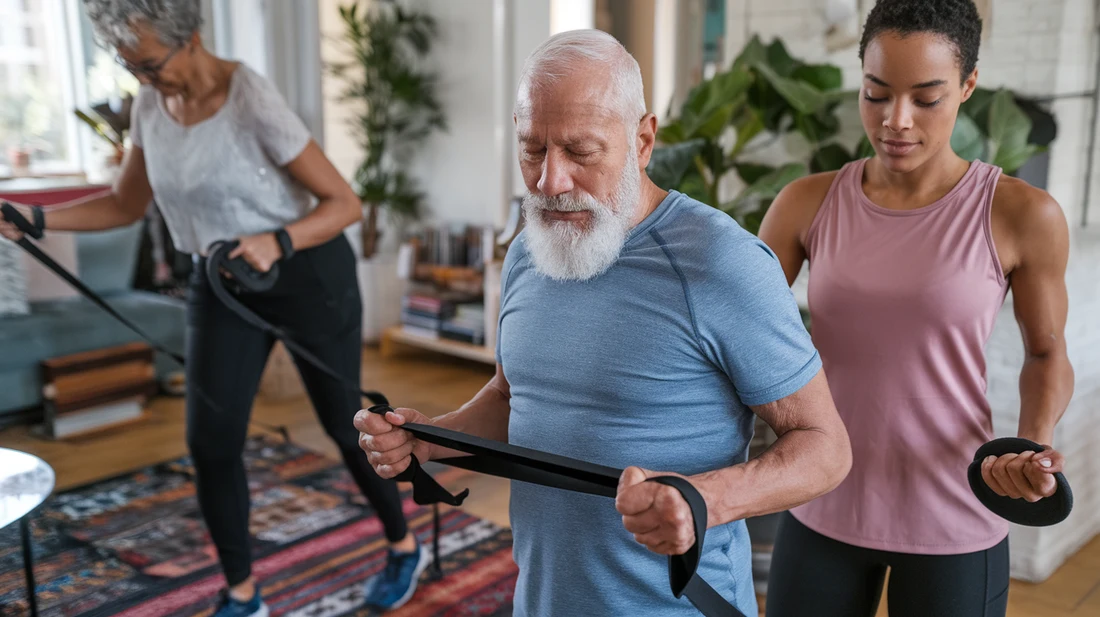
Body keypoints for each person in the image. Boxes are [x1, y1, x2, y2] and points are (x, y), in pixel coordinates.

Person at [355, 29, 853, 617]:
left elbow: (827, 449)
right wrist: (430, 439)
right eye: (532, 149)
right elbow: (515, 395)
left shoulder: (720, 262)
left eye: (580, 153)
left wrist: (706, 499)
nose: (549, 182)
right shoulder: (527, 250)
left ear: (643, 140)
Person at [0, 1, 429, 615]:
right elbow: (124, 205)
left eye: (149, 64)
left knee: (345, 423)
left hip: (306, 273)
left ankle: (402, 544)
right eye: (130, 68)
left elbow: (343, 203)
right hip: (221, 279)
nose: (143, 81)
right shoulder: (151, 103)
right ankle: (242, 594)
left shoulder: (248, 96)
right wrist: (36, 218)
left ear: (190, 38)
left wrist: (276, 240)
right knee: (211, 441)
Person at [758, 1, 1075, 616]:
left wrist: (1031, 448)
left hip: (954, 509)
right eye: (876, 94)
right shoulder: (805, 203)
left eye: (926, 99)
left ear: (967, 86)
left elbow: (1047, 351)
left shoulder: (1021, 214)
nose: (896, 121)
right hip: (820, 495)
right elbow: (737, 329)